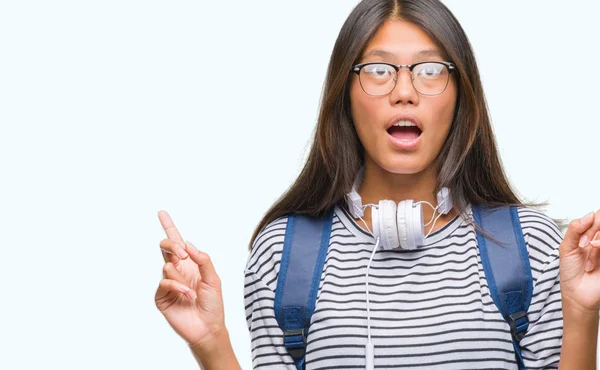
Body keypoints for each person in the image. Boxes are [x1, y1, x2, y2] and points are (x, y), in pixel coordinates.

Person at [154, 0, 600, 368]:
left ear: (460, 94)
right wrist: (211, 342)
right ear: (344, 95)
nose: (404, 91)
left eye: (429, 71)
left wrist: (582, 314)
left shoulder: (532, 245)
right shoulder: (284, 253)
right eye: (378, 70)